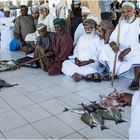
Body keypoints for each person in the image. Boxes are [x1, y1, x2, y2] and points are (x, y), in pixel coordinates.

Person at [99, 2, 140, 90]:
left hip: (133, 51)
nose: (125, 14)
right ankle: (113, 73)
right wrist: (113, 45)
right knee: (105, 48)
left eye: (128, 11)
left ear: (135, 11)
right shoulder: (121, 23)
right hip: (120, 50)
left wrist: (127, 50)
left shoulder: (138, 23)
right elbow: (113, 38)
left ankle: (136, 79)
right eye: (123, 12)